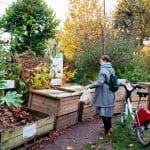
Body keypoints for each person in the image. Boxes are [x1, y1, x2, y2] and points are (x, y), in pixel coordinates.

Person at [85, 55, 115, 135]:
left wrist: (90, 86)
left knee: (103, 113)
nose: (100, 62)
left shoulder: (103, 70)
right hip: (110, 92)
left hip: (104, 93)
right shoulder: (112, 69)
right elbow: (106, 80)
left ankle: (106, 131)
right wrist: (94, 82)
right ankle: (110, 128)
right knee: (108, 111)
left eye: (100, 60)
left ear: (104, 60)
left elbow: (100, 82)